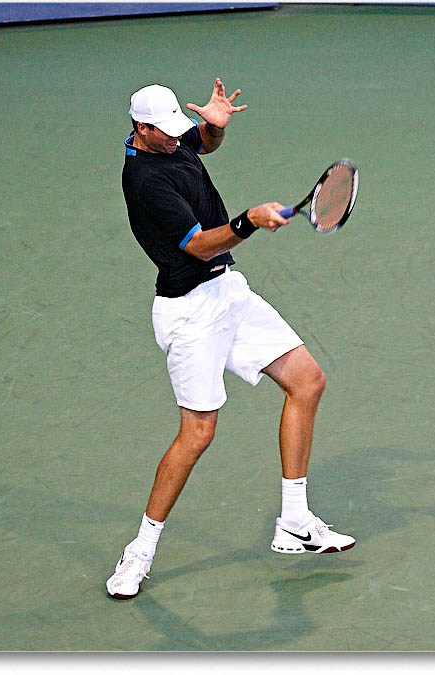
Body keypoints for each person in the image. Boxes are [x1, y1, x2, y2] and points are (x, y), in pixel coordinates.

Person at [108, 78, 355, 599]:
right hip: (189, 313)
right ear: (141, 130)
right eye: (166, 132)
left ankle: (295, 522)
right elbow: (199, 245)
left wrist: (214, 128)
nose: (177, 138)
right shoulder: (145, 182)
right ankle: (140, 551)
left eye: (178, 128)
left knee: (307, 381)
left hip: (227, 292)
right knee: (198, 434)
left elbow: (201, 142)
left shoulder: (168, 140)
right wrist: (248, 221)